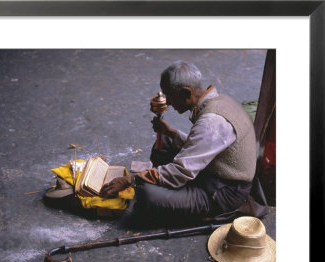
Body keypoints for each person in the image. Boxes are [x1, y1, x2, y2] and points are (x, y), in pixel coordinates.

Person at [100, 61, 261, 227]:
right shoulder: (219, 100)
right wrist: (171, 132)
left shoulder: (211, 122)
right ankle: (169, 188)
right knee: (167, 142)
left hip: (225, 191)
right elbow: (202, 147)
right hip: (214, 170)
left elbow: (181, 171)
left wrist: (131, 179)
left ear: (186, 93)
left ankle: (208, 208)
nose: (168, 102)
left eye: (169, 95)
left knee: (146, 195)